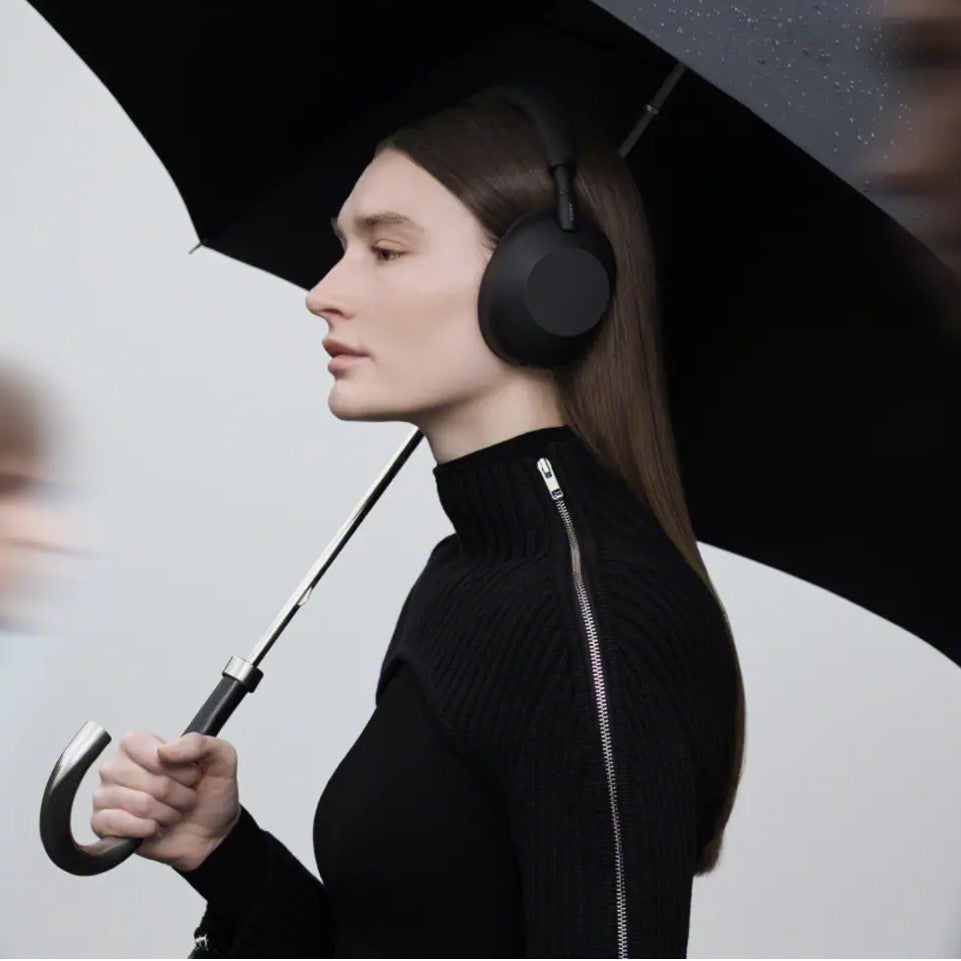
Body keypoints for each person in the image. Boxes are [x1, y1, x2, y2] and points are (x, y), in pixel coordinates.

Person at [90, 91, 746, 958]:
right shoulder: (468, 571)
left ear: (548, 282)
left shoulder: (597, 616)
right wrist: (224, 853)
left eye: (385, 249)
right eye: (341, 249)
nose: (322, 293)